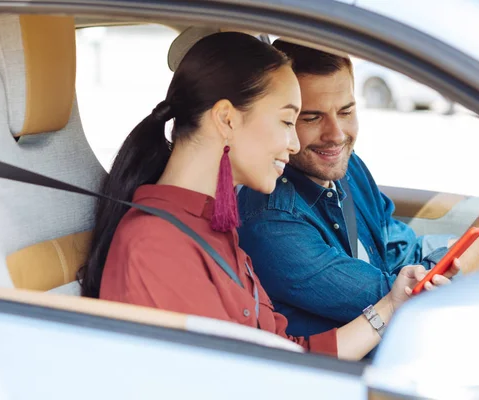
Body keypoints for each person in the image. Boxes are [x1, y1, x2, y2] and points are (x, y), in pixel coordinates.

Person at [76, 32, 453, 361]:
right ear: (226, 119)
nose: (292, 145)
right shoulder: (157, 246)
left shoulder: (214, 227)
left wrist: (390, 305)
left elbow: (287, 352)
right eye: (290, 121)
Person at [235, 40, 479, 338]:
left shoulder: (347, 168)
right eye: (312, 117)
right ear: (284, 121)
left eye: (346, 111)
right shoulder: (273, 221)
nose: (336, 135)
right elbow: (404, 300)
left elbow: (401, 252)